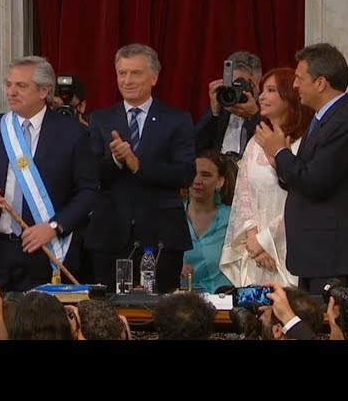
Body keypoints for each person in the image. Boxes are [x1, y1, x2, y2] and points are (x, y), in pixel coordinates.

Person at [0, 56, 98, 292]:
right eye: (9, 84)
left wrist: (54, 227)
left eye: (21, 86)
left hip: (44, 252)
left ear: (44, 91)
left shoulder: (73, 133)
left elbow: (88, 191)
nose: (11, 92)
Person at [255, 43, 348, 295]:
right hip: (316, 253)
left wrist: (281, 152)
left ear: (321, 83)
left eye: (300, 78)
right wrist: (279, 160)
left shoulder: (345, 123)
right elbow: (302, 177)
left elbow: (315, 182)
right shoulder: (324, 120)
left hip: (333, 254)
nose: (295, 85)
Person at [85, 43, 195, 293]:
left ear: (154, 77)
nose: (127, 80)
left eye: (135, 73)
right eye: (122, 73)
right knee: (107, 310)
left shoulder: (177, 119)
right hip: (110, 235)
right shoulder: (101, 119)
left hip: (161, 235)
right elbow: (89, 173)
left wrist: (138, 165)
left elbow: (185, 174)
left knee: (160, 309)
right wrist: (116, 161)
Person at [220, 67, 314, 288]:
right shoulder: (256, 142)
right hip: (255, 253)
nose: (261, 96)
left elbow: (300, 197)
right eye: (262, 90)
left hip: (289, 247)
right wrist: (253, 239)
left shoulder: (305, 142)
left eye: (271, 90)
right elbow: (243, 194)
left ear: (290, 96)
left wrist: (266, 241)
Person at [180, 150, 236, 293]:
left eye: (205, 175)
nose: (197, 181)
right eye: (193, 174)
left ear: (220, 181)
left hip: (223, 297)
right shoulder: (173, 215)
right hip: (182, 298)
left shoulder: (233, 217)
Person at [195, 51, 262, 159]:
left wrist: (254, 116)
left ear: (258, 85)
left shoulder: (266, 113)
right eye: (233, 85)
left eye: (243, 85)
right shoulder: (220, 110)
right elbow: (194, 147)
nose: (238, 91)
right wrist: (214, 112)